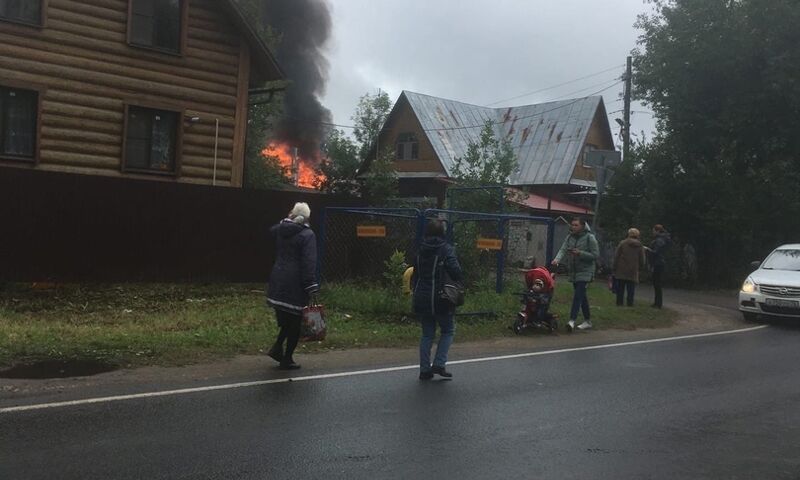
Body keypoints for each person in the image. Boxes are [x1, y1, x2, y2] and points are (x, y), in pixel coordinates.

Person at [266, 202, 319, 370]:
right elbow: (309, 262)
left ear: (292, 214)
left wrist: (287, 220)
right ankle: (287, 358)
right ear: (307, 217)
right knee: (295, 322)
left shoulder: (282, 230)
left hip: (278, 279)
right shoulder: (307, 235)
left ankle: (277, 348)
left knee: (287, 320)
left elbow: (273, 231)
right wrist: (311, 285)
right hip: (295, 284)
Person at [411, 219, 462, 380]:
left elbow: (415, 274)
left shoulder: (420, 250)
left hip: (422, 297)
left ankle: (424, 370)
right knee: (448, 330)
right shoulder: (446, 249)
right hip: (441, 298)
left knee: (427, 334)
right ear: (442, 233)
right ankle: (439, 364)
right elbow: (456, 272)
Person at [551, 217, 599, 332]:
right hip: (574, 270)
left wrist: (580, 253)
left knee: (578, 296)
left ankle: (571, 321)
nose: (573, 227)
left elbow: (595, 255)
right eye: (572, 225)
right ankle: (588, 321)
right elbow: (563, 249)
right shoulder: (570, 237)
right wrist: (557, 259)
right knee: (582, 296)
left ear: (582, 226)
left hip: (586, 271)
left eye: (576, 225)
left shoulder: (589, 237)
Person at [613, 228, 646, 307]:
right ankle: (630, 303)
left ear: (629, 234)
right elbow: (642, 258)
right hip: (633, 269)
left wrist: (614, 266)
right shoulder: (639, 245)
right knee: (631, 288)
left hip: (621, 268)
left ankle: (619, 303)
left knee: (620, 287)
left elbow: (617, 255)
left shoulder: (623, 243)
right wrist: (641, 266)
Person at [646, 224, 672, 308]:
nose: (652, 232)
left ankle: (658, 303)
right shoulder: (665, 239)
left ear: (657, 231)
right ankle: (657, 302)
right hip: (661, 262)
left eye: (653, 231)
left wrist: (647, 250)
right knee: (657, 283)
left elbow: (656, 252)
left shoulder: (659, 240)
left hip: (658, 263)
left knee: (656, 283)